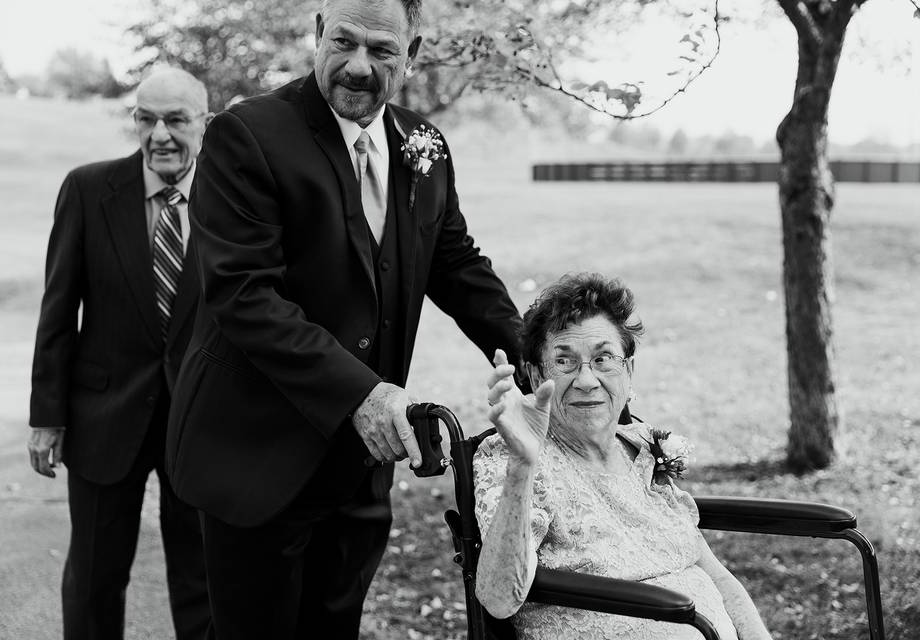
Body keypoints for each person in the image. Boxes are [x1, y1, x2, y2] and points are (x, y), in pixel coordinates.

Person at [163, 0, 524, 637]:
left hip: (359, 471)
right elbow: (244, 294)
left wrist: (537, 355)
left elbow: (456, 263)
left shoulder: (425, 146)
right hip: (254, 459)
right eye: (344, 42)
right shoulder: (246, 134)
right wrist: (363, 394)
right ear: (317, 35)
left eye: (382, 50)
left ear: (411, 57)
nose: (359, 66)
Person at [475, 273, 772, 640]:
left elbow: (709, 569)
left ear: (628, 372)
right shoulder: (512, 457)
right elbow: (498, 599)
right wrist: (522, 464)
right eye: (565, 362)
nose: (586, 380)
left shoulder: (642, 448)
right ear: (536, 377)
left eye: (603, 359)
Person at [27, 67, 214, 639]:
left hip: (201, 422)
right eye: (146, 118)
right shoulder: (87, 189)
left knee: (202, 581)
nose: (159, 134)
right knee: (93, 578)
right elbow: (58, 311)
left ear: (204, 124)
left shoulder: (234, 200)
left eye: (176, 120)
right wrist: (46, 418)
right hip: (104, 418)